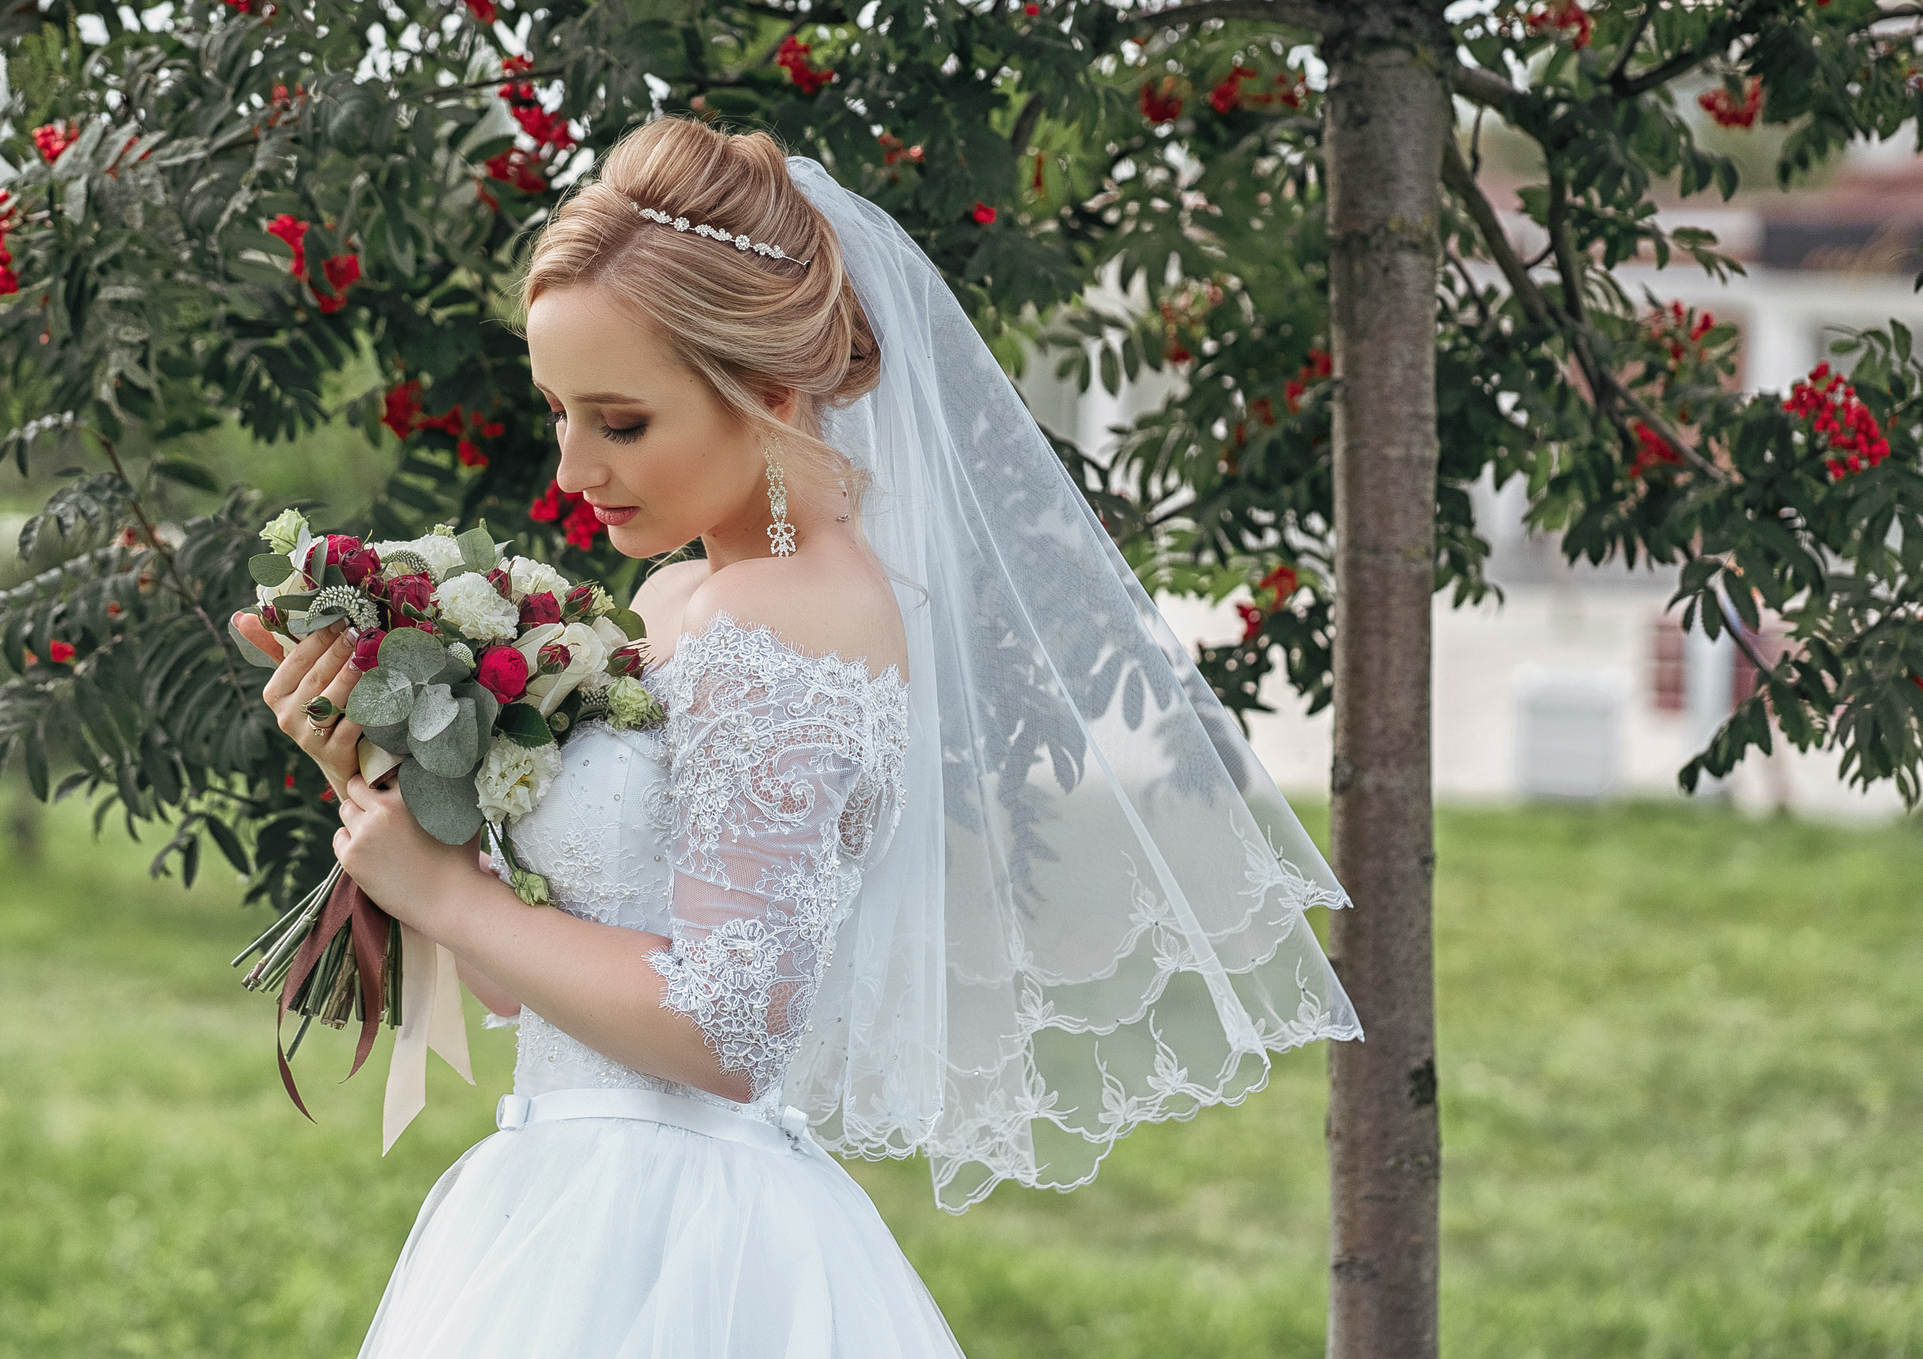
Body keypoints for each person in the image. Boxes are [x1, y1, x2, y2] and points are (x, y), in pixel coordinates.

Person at [231, 117, 1360, 1357]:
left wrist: (446, 898)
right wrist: (387, 778)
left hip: (675, 1242)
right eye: (557, 411)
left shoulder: (793, 624)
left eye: (619, 421)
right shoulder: (685, 598)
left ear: (769, 399)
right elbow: (545, 978)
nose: (570, 467)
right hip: (571, 1188)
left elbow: (728, 1028)